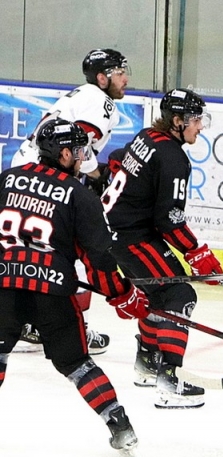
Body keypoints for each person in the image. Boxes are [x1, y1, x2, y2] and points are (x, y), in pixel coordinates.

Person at [0, 118, 149, 457]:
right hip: (52, 293)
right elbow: (98, 258)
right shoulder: (80, 195)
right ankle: (121, 427)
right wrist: (123, 294)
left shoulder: (8, 179)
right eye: (79, 151)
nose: (83, 157)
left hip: (4, 284)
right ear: (64, 153)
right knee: (78, 365)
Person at [102, 88, 221, 409]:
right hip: (133, 236)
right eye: (196, 120)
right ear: (178, 121)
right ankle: (169, 379)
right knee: (180, 295)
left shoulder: (146, 135)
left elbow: (116, 160)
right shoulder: (173, 157)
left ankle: (147, 363)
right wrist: (197, 252)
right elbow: (169, 219)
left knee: (158, 296)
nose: (201, 127)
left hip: (118, 232)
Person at [11, 48, 130, 355]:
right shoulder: (101, 101)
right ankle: (69, 325)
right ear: (103, 78)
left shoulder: (79, 94)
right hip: (49, 176)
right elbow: (80, 140)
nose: (125, 79)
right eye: (120, 73)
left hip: (23, 168)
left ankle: (24, 320)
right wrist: (93, 173)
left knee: (23, 251)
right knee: (64, 251)